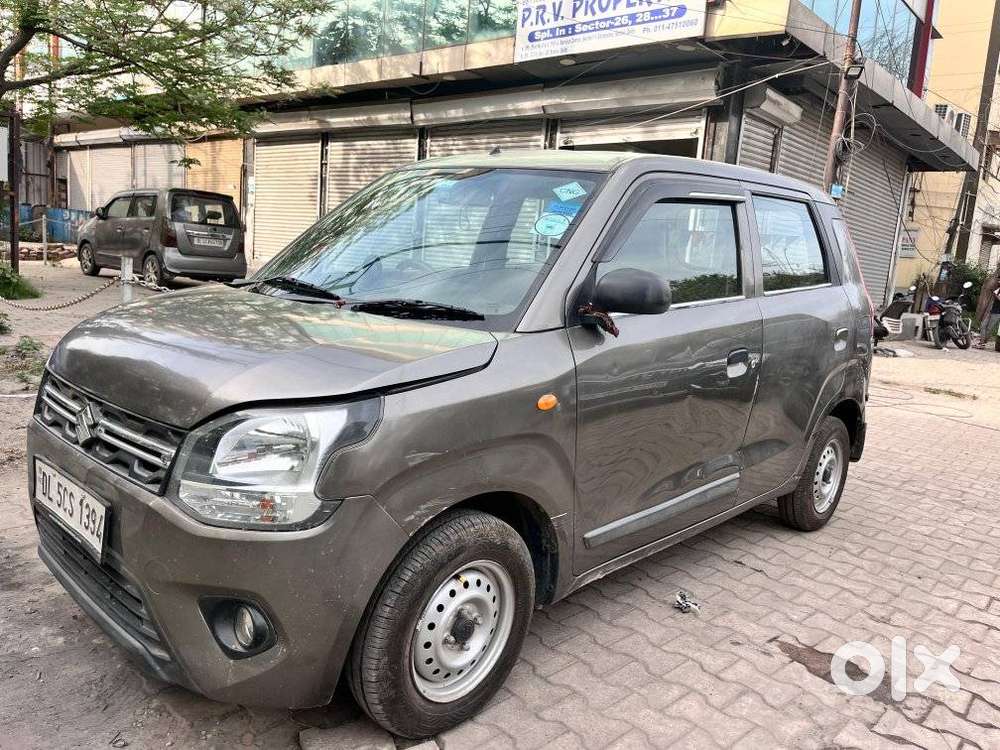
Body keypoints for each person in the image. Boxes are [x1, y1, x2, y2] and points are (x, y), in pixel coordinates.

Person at [978, 283, 1000, 347]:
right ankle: (982, 342)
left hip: (997, 313)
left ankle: (982, 343)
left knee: (989, 328)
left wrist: (995, 295)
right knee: (982, 326)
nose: (998, 281)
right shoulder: (998, 289)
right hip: (992, 311)